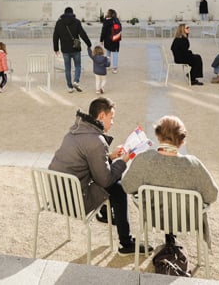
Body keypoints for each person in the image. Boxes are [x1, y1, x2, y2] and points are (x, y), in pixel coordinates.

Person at [48, 97, 147, 255]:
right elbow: (105, 179)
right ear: (101, 116)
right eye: (111, 117)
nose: (113, 122)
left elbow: (87, 163)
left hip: (55, 195)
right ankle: (126, 243)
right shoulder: (97, 140)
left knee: (114, 178)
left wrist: (111, 157)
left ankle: (106, 214)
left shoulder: (74, 131)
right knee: (118, 187)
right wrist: (123, 161)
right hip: (75, 201)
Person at [122, 115, 218, 247]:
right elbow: (212, 195)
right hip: (187, 220)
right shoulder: (194, 165)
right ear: (182, 140)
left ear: (158, 136)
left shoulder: (144, 160)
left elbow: (127, 186)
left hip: (154, 218)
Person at [53, 7, 91, 93]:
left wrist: (56, 48)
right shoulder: (76, 21)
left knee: (67, 68)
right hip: (76, 47)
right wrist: (89, 44)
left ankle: (70, 87)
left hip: (65, 49)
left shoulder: (59, 23)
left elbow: (55, 36)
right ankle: (76, 81)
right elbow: (82, 34)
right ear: (72, 13)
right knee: (78, 66)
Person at [99, 8, 123, 74]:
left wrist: (101, 39)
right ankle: (115, 68)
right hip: (116, 39)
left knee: (108, 53)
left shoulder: (106, 21)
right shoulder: (117, 20)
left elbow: (103, 31)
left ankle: (108, 65)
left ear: (109, 14)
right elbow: (120, 30)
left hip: (108, 40)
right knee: (115, 53)